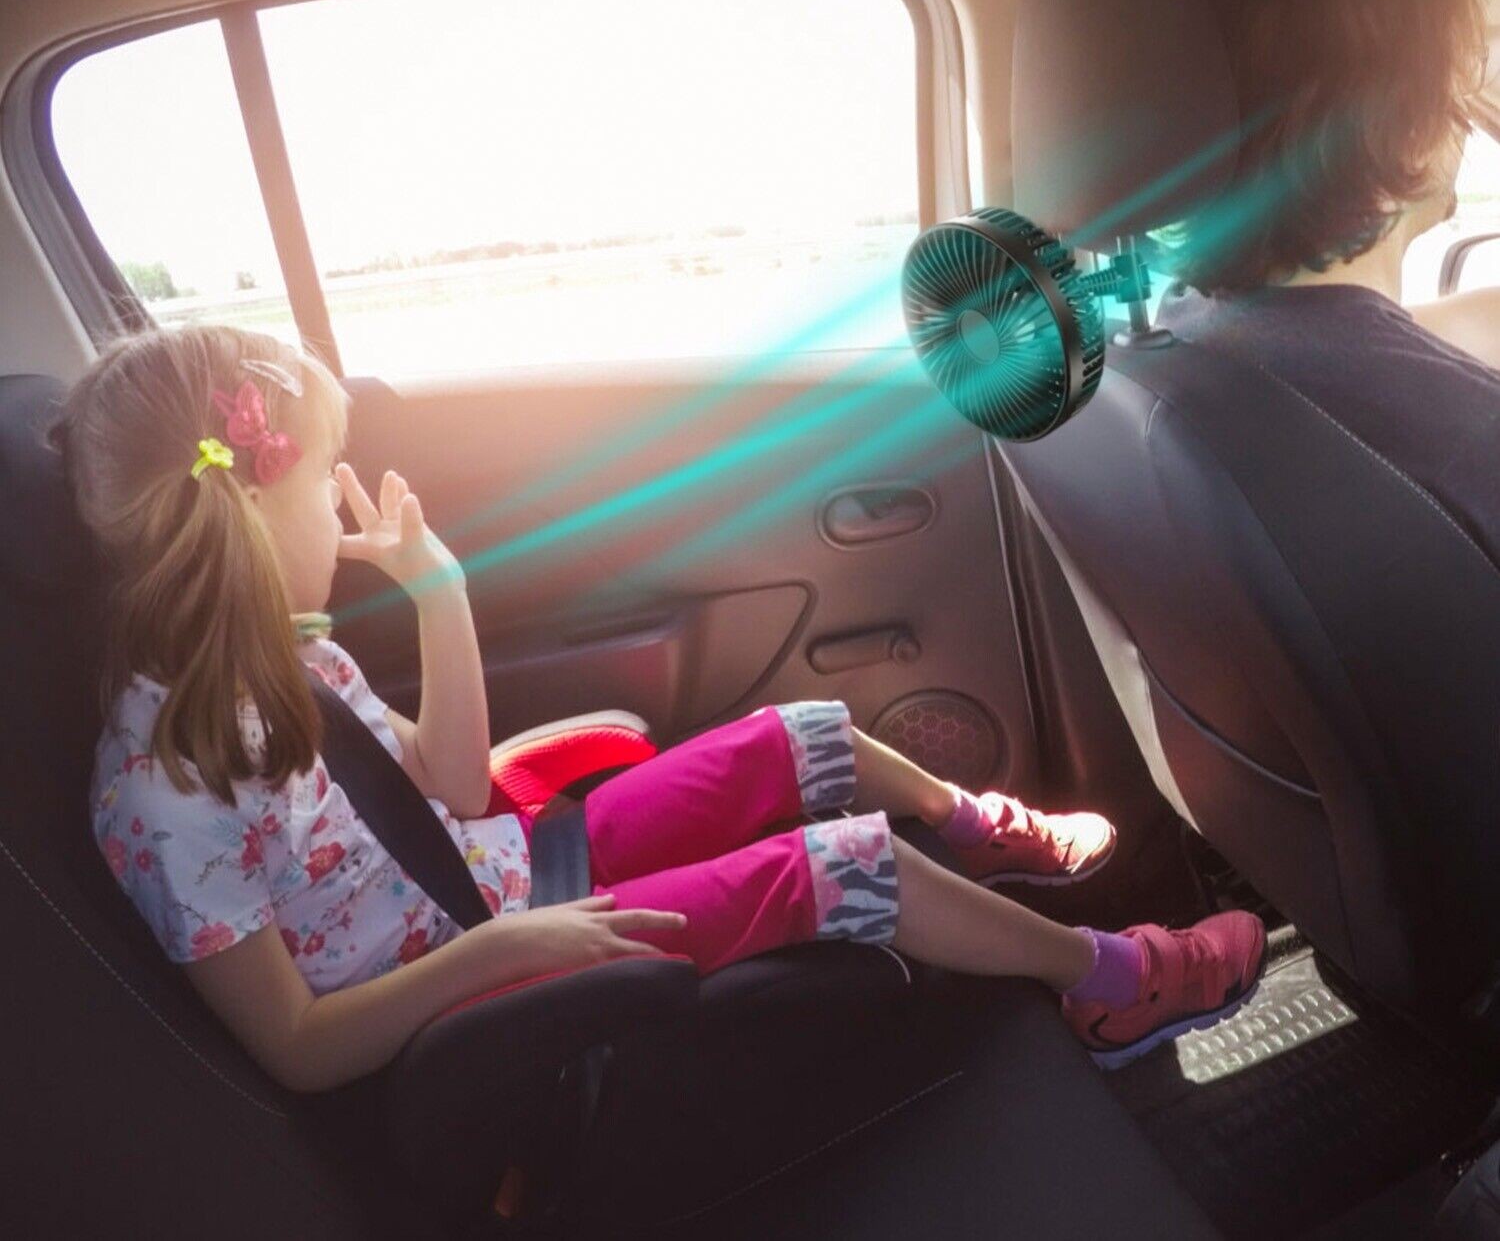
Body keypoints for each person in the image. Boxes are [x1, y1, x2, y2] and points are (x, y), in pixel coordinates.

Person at [63, 324, 1263, 1090]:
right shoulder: (164, 793)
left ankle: (983, 832)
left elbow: (455, 786)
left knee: (807, 733)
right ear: (249, 510)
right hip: (473, 986)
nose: (338, 505)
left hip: (497, 875)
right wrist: (497, 952)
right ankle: (1109, 982)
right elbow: (299, 1049)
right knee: (848, 865)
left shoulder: (293, 654)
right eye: (318, 486)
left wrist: (440, 592)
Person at [1159, 0, 1500, 563]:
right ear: (1410, 131)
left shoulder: (1177, 333)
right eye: (1455, 93)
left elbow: (1352, 341)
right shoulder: (1467, 439)